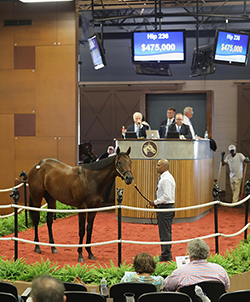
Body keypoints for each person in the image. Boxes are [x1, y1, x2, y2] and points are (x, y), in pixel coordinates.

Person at [163, 238, 230, 291]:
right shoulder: (219, 270)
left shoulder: (180, 273)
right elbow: (226, 287)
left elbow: (166, 286)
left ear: (189, 253)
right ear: (207, 252)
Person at [149, 159, 175, 262]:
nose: (156, 167)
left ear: (164, 167)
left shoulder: (165, 179)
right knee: (165, 231)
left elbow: (167, 196)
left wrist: (155, 202)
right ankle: (166, 253)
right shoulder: (165, 177)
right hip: (165, 207)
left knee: (164, 232)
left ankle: (166, 255)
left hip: (166, 208)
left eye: (158, 165)